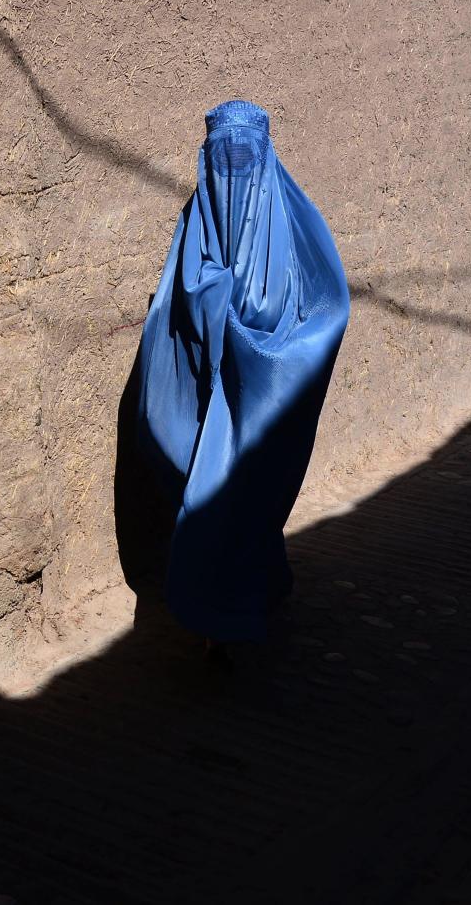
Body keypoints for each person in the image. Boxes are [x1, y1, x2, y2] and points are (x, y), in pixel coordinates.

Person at [135, 99, 351, 658]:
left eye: (244, 157)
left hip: (259, 397)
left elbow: (319, 306)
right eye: (221, 157)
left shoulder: (288, 222)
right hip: (208, 394)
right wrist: (213, 306)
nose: (233, 171)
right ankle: (221, 621)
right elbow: (175, 305)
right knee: (212, 499)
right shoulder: (197, 220)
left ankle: (236, 609)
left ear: (265, 156)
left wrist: (256, 340)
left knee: (247, 501)